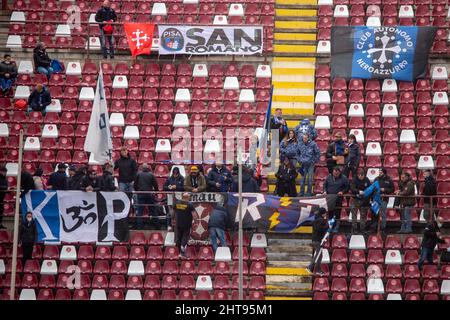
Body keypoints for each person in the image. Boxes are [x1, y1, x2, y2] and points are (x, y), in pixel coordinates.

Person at [324, 166, 349, 232]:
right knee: (330, 213)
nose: (335, 175)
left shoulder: (344, 178)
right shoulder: (329, 177)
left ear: (339, 173)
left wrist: (342, 192)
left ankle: (336, 227)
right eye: (334, 173)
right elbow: (325, 185)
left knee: (337, 213)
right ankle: (330, 226)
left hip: (338, 198)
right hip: (329, 198)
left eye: (337, 174)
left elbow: (347, 187)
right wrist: (324, 191)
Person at [134, 163, 159, 229]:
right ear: (148, 167)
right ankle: (157, 226)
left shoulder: (138, 174)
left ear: (142, 168)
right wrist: (156, 192)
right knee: (153, 210)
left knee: (140, 211)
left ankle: (139, 227)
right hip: (149, 194)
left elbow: (135, 185)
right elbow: (155, 185)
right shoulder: (151, 174)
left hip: (141, 194)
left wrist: (137, 191)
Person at [306, 208, 328, 275]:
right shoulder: (320, 220)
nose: (326, 214)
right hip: (317, 240)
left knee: (318, 254)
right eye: (325, 213)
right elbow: (320, 229)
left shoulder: (317, 219)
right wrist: (327, 225)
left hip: (315, 239)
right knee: (319, 255)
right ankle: (313, 268)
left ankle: (312, 268)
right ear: (322, 213)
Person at [350, 169, 371, 233]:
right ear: (358, 175)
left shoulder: (366, 179)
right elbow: (352, 188)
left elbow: (370, 187)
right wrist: (358, 191)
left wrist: (366, 191)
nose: (361, 177)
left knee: (363, 215)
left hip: (364, 200)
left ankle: (362, 229)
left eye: (362, 176)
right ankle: (355, 228)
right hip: (355, 199)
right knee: (354, 215)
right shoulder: (354, 180)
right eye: (360, 176)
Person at [174, 193, 195, 257]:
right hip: (187, 224)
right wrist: (194, 221)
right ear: (186, 197)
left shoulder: (177, 203)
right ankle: (182, 253)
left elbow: (173, 212)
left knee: (178, 238)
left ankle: (177, 252)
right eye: (189, 197)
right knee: (185, 238)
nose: (189, 198)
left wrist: (172, 219)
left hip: (178, 224)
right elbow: (194, 215)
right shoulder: (190, 204)